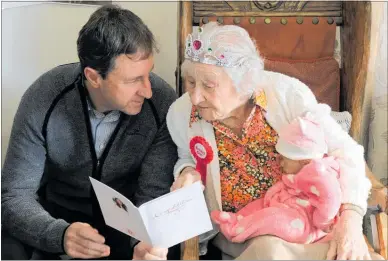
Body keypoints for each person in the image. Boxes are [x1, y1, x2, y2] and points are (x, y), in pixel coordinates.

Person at [164, 22, 384, 260]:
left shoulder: (287, 94)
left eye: (208, 85)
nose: (195, 97)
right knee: (270, 251)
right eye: (190, 82)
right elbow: (187, 156)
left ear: (244, 82)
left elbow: (345, 150)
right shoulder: (180, 113)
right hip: (240, 230)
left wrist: (350, 219)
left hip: (306, 225)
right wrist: (187, 172)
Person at [1, 5, 178, 260]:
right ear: (93, 77)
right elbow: (14, 196)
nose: (147, 91)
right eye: (132, 80)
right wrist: (59, 235)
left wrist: (144, 242)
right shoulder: (43, 97)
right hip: (54, 223)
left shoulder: (161, 103)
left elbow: (153, 196)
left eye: (148, 75)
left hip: (127, 233)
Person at [211, 113, 343, 244]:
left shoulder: (319, 173)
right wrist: (271, 197)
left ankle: (238, 230)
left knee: (273, 218)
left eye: (285, 159)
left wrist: (321, 221)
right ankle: (236, 219)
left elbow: (331, 198)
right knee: (261, 206)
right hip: (289, 206)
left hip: (305, 223)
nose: (280, 163)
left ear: (304, 161)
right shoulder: (301, 171)